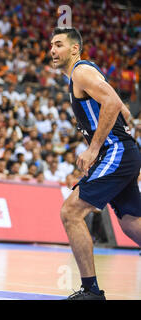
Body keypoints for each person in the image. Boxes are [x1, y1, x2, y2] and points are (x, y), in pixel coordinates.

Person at [51, 27, 141, 300]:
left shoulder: (80, 71)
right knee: (131, 223)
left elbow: (112, 102)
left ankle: (91, 292)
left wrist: (93, 148)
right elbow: (117, 103)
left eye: (59, 45)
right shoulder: (86, 73)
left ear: (75, 49)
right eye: (51, 46)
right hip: (122, 152)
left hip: (115, 152)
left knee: (71, 212)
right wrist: (126, 117)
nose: (52, 50)